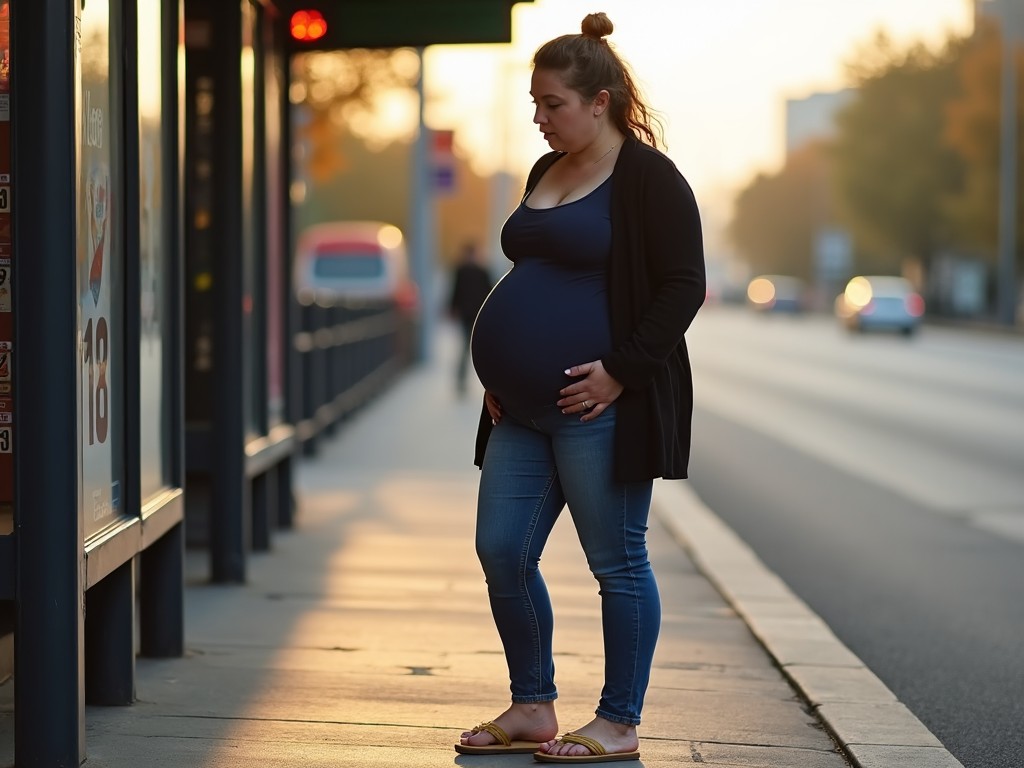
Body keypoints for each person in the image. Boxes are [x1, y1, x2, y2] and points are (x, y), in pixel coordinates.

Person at [454, 11, 705, 765]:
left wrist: (621, 371)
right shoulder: (544, 171)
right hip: (520, 412)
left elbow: (682, 287)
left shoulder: (649, 179)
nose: (539, 117)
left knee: (617, 562)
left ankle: (619, 722)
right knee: (501, 549)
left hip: (599, 406)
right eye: (534, 103)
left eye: (552, 104)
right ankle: (533, 705)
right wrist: (502, 372)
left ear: (600, 101)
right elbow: (534, 273)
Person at [447, 241, 494, 395]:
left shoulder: (460, 270)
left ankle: (461, 381)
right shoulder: (482, 271)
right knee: (479, 349)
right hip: (479, 315)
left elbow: (455, 291)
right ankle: (489, 382)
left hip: (466, 314)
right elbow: (490, 293)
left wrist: (452, 309)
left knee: (464, 348)